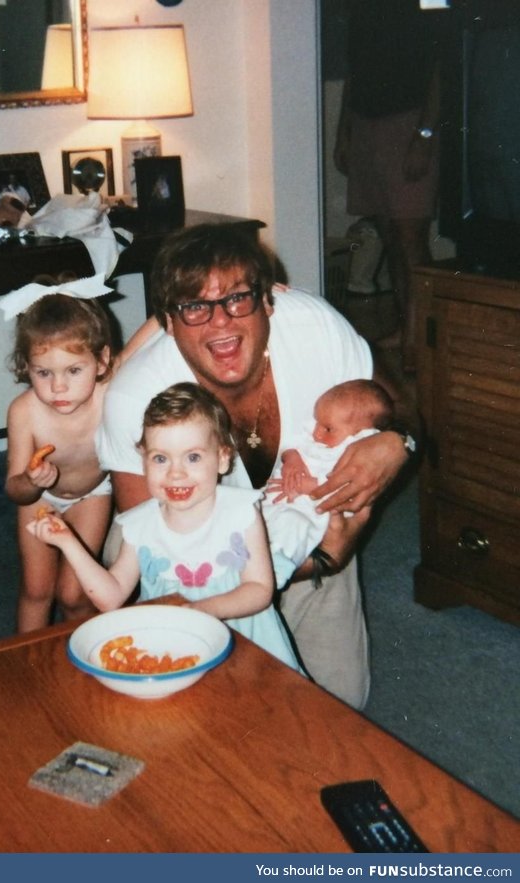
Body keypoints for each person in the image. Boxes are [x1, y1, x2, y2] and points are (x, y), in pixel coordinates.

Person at [97, 223, 418, 710]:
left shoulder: (314, 328)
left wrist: (399, 444)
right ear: (166, 321)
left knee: (338, 706)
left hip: (302, 520)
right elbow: (153, 535)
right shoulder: (137, 396)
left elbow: (403, 407)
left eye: (237, 299)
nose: (220, 324)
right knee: (209, 703)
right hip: (186, 545)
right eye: (194, 307)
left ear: (268, 300)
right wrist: (325, 558)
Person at [28, 382, 300, 671]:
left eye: (193, 457)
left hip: (245, 648)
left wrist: (198, 611)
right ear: (143, 460)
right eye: (160, 458)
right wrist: (68, 542)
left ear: (222, 458)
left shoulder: (239, 512)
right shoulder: (140, 524)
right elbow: (111, 596)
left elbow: (259, 589)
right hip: (175, 646)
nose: (176, 473)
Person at [333, 0, 447, 373]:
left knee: (410, 237)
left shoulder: (425, 4)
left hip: (410, 123)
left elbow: (441, 66)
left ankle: (423, 339)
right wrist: (344, 132)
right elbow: (355, 73)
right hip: (367, 122)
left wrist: (425, 134)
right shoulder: (361, 9)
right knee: (389, 234)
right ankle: (405, 327)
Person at [0, 276, 115, 633]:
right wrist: (31, 482)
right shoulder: (24, 411)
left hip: (92, 496)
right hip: (40, 500)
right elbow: (14, 491)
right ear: (26, 366)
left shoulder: (109, 392)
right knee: (37, 589)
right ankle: (29, 671)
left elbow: (146, 346)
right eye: (44, 372)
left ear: (102, 361)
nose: (58, 386)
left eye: (73, 370)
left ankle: (93, 657)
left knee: (75, 594)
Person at [264, 379, 395, 588]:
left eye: (327, 429)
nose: (316, 433)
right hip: (275, 499)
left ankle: (277, 568)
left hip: (309, 515)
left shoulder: (351, 455)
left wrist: (307, 486)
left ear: (363, 434)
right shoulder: (320, 431)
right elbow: (292, 444)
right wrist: (292, 459)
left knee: (291, 527)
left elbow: (343, 489)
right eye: (317, 422)